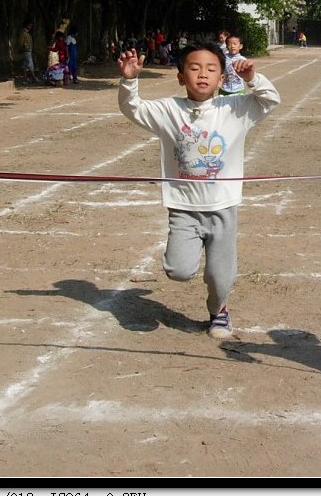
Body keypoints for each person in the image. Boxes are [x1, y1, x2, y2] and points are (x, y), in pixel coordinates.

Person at [117, 42, 280, 338]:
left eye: (210, 69)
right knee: (178, 270)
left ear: (221, 79)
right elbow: (133, 108)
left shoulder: (235, 108)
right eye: (193, 68)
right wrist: (130, 80)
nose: (202, 74)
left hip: (222, 208)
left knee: (221, 276)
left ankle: (219, 310)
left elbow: (270, 100)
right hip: (183, 208)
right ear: (181, 77)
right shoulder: (169, 110)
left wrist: (252, 78)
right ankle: (198, 272)